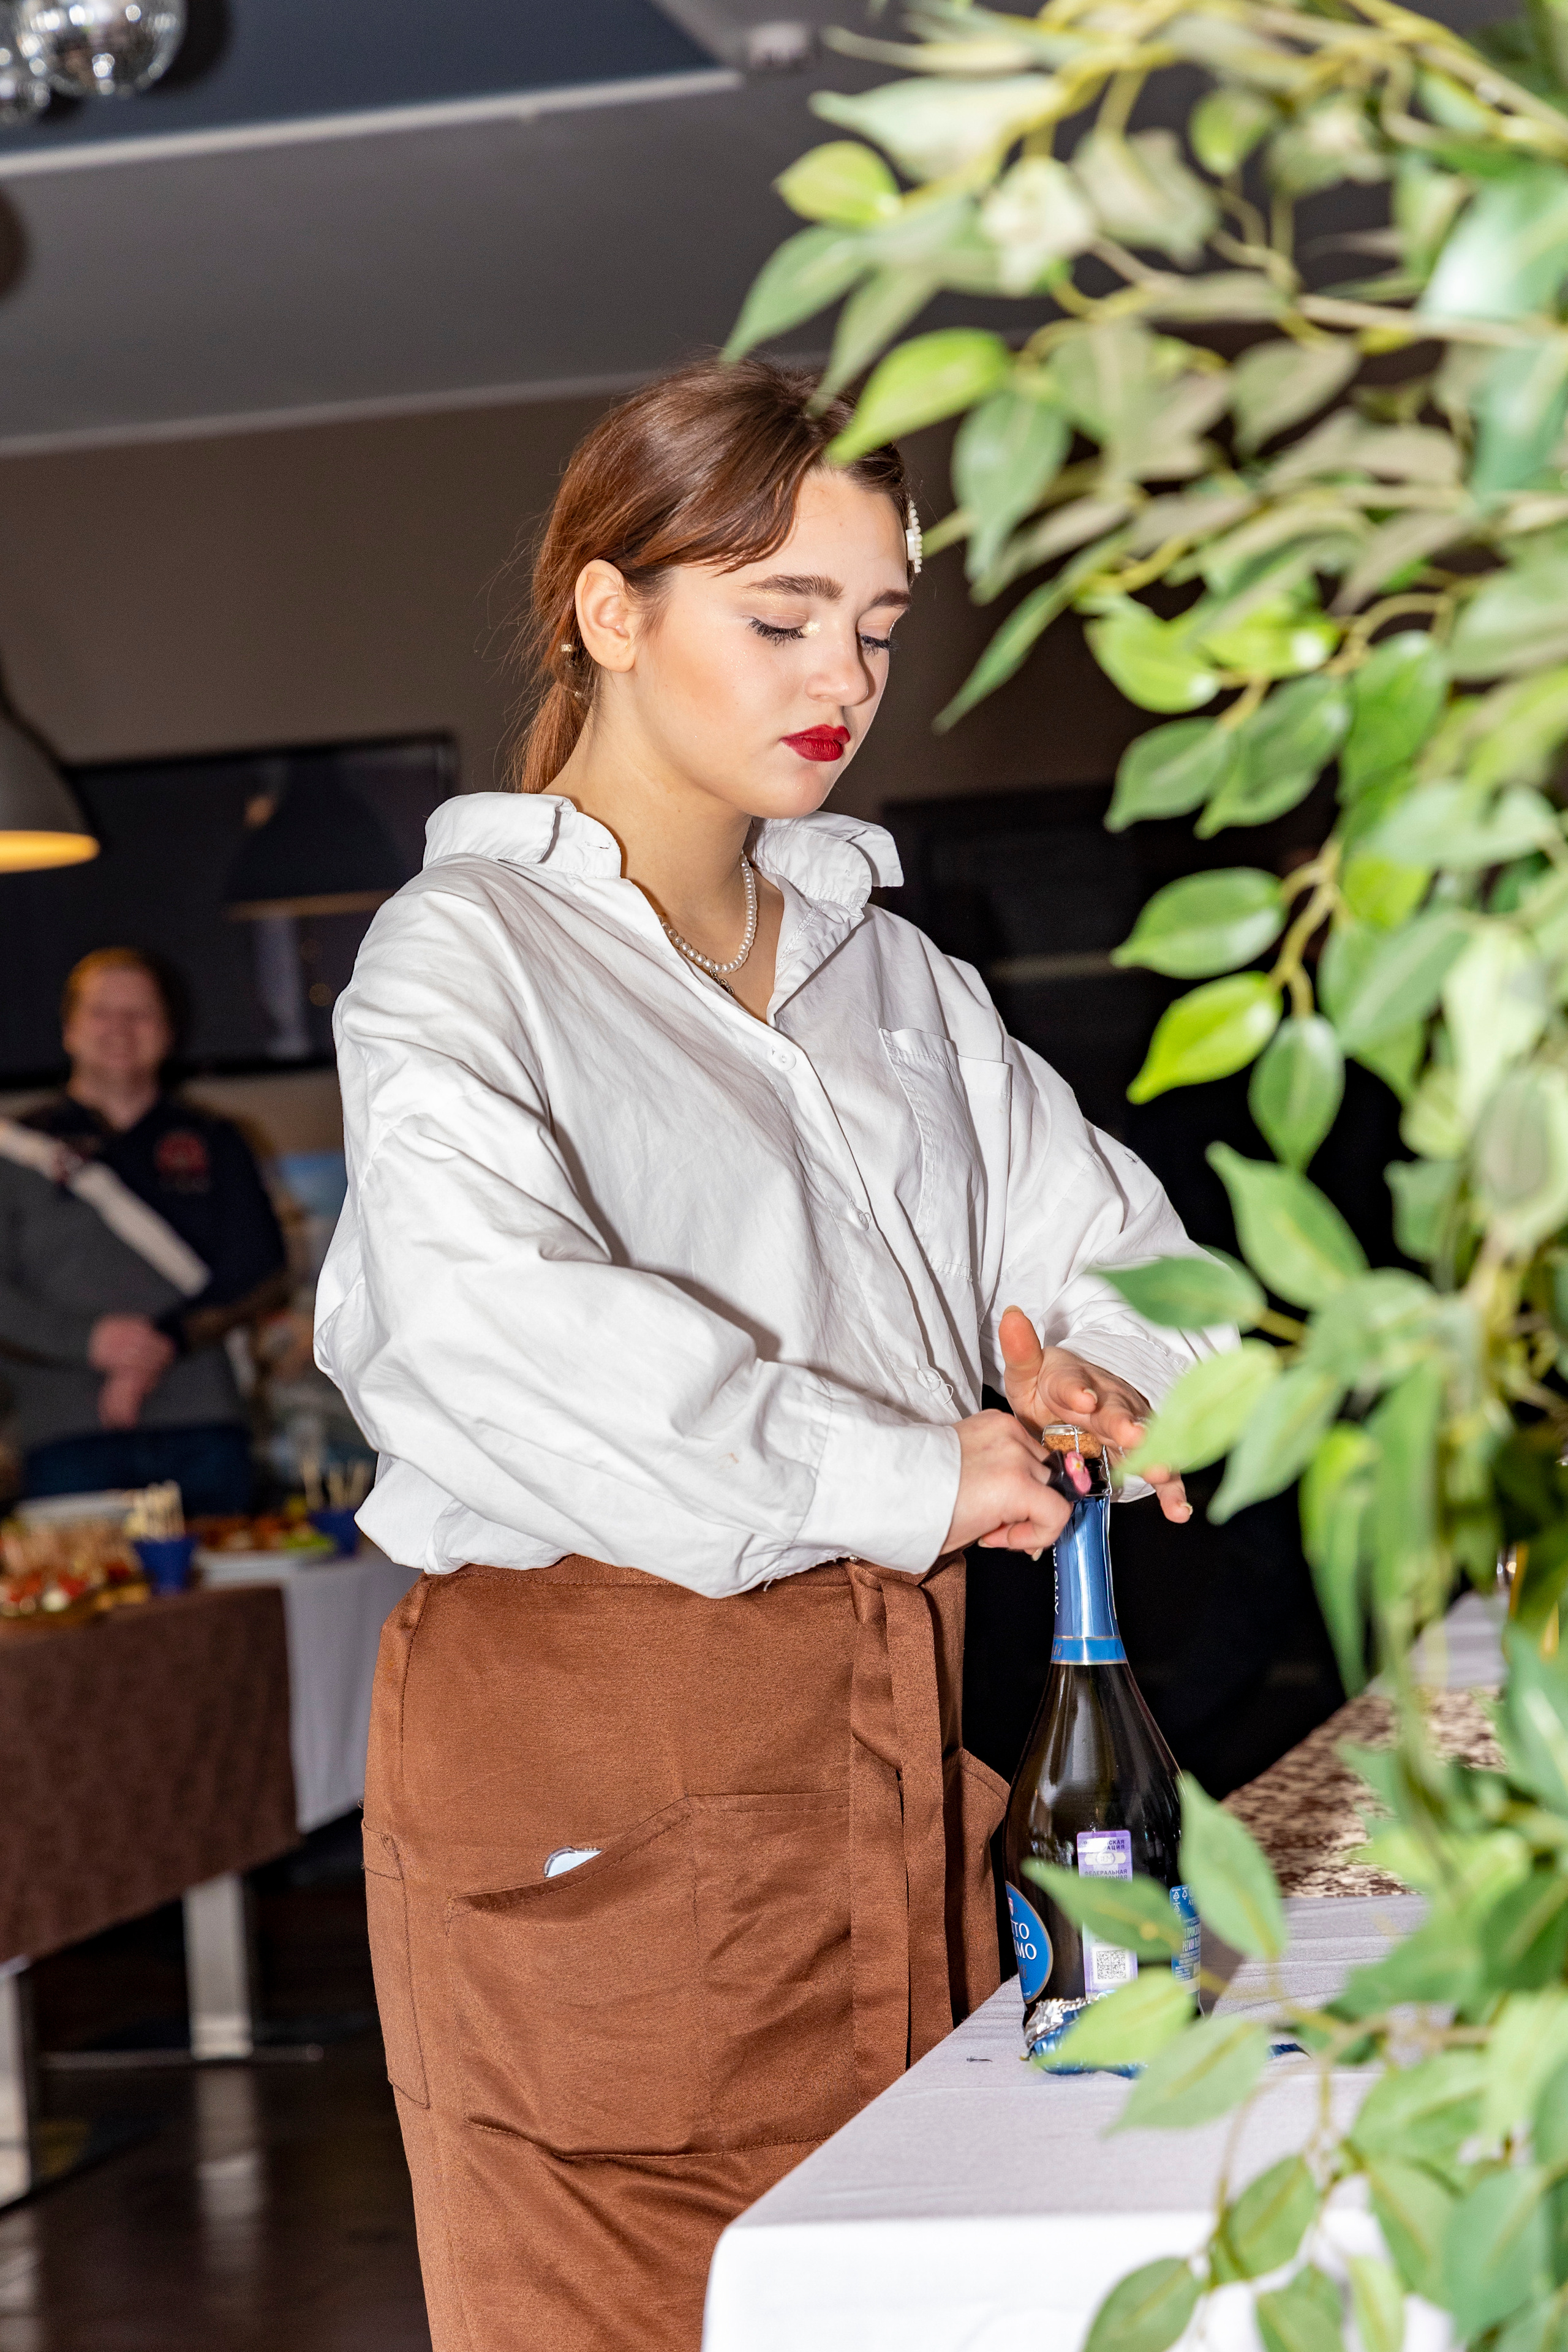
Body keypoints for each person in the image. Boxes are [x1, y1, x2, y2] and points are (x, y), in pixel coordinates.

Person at [317, 358, 1212, 2352]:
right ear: (610, 611)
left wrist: (1099, 1372)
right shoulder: (463, 955)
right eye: (781, 613)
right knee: (645, 2312)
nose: (844, 674)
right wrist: (918, 1474)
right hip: (598, 1716)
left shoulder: (886, 964)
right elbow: (485, 1332)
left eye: (879, 626)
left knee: (908, 2281)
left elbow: (1118, 1242)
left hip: (892, 1707)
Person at [0, 947, 289, 1512]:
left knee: (223, 1604)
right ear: (70, 1029)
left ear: (168, 1031)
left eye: (141, 1013)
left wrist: (162, 1343)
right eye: (103, 1012)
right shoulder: (16, 1151)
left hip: (203, 1426)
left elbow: (261, 1271)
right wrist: (90, 1342)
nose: (121, 1029)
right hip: (63, 1434)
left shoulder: (217, 1139)